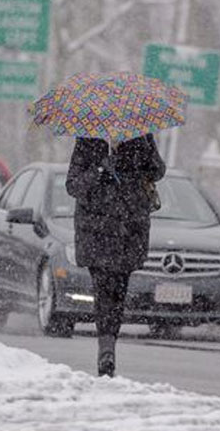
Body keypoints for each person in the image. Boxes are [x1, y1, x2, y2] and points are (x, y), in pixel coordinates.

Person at [65, 133, 166, 377]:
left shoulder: (141, 138)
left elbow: (158, 171)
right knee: (103, 289)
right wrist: (100, 168)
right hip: (96, 231)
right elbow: (73, 185)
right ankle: (106, 349)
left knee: (118, 290)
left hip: (129, 229)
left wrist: (137, 154)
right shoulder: (87, 141)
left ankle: (110, 343)